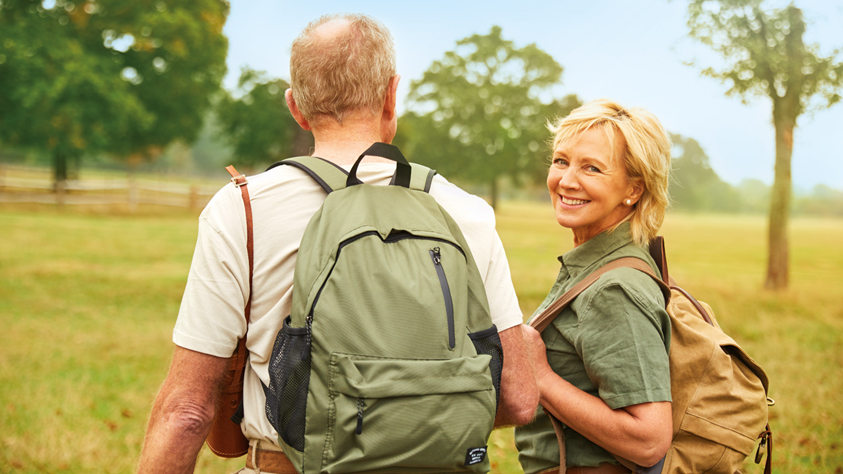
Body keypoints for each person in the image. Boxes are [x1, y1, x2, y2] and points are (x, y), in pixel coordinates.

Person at [137, 13, 538, 474]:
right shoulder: (465, 212)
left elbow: (186, 413)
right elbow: (518, 399)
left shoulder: (244, 209)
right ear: (391, 94)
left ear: (296, 107)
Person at [514, 99, 673, 474]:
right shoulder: (597, 264)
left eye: (592, 168)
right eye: (561, 161)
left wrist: (542, 378)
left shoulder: (613, 289)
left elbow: (649, 440)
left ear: (633, 189)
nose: (567, 180)